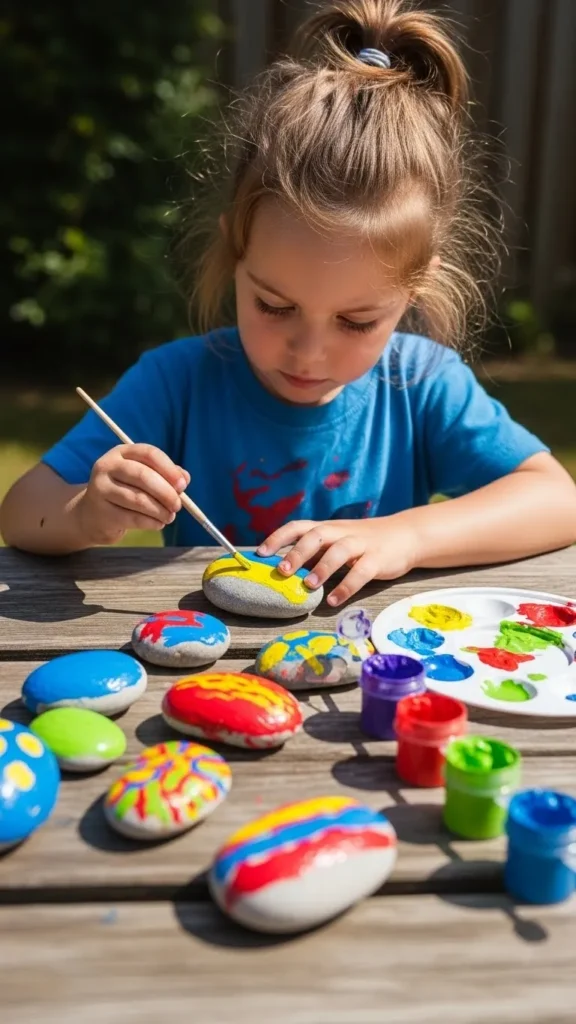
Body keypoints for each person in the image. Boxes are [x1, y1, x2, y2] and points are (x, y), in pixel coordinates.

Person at [2, 0, 575, 608]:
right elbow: (22, 513)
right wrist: (88, 512)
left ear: (415, 287)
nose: (309, 350)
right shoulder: (177, 383)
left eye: (357, 320)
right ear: (235, 253)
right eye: (274, 306)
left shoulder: (424, 386)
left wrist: (405, 535)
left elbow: (556, 501)